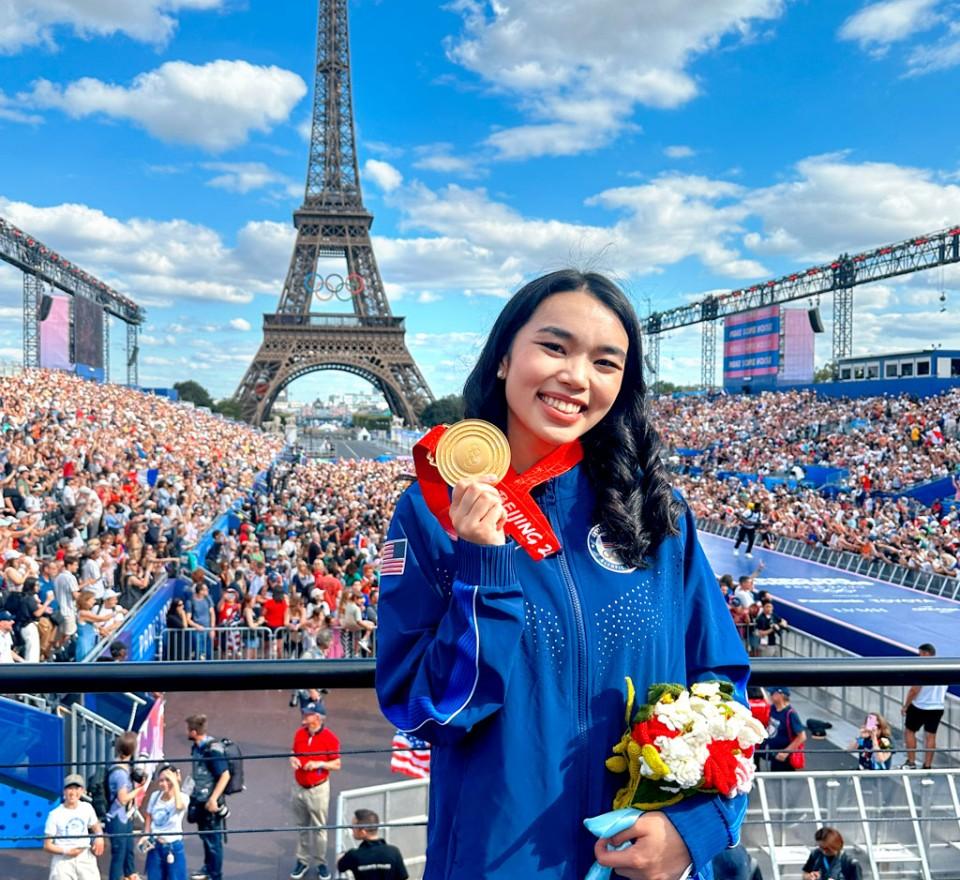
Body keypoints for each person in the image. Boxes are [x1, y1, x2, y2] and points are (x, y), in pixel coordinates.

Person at [375, 270, 751, 879]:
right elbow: (426, 711)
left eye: (606, 362)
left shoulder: (655, 508)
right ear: (503, 358)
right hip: (499, 860)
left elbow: (721, 681)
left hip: (645, 861)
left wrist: (698, 828)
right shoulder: (431, 508)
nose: (576, 376)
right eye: (554, 347)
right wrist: (484, 569)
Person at [289, 699, 341, 880]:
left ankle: (320, 863)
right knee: (302, 827)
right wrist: (293, 760)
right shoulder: (299, 733)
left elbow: (337, 764)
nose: (304, 716)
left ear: (318, 718)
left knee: (319, 828)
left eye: (308, 713)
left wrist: (319, 763)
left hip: (318, 789)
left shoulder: (330, 738)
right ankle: (302, 861)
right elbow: (293, 753)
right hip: (299, 787)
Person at [185, 714, 230, 880]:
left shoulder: (213, 751)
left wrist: (213, 799)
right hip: (199, 800)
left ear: (194, 732)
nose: (187, 732)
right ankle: (208, 868)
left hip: (210, 803)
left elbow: (225, 775)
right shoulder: (197, 747)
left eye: (188, 729)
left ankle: (215, 875)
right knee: (205, 837)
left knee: (213, 841)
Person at [44, 773, 106, 880]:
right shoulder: (55, 814)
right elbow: (47, 845)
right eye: (69, 789)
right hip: (63, 861)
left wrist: (99, 837)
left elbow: (96, 826)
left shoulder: (87, 808)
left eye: (76, 788)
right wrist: (66, 851)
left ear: (82, 791)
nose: (73, 793)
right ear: (64, 791)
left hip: (85, 857)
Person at [105, 731, 147, 880]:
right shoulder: (120, 774)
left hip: (126, 817)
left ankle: (131, 875)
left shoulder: (122, 766)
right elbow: (123, 798)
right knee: (119, 855)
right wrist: (139, 789)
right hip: (118, 819)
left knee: (128, 849)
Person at [901, 642, 948, 769]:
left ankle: (911, 762)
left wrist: (906, 705)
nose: (918, 657)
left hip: (920, 706)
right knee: (931, 736)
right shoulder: (945, 667)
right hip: (937, 707)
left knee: (910, 732)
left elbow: (914, 690)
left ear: (926, 653)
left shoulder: (923, 667)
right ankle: (927, 765)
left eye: (920, 654)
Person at [142, 764, 188, 880]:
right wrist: (146, 834)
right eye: (161, 780)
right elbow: (148, 815)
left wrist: (175, 781)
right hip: (155, 845)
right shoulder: (155, 796)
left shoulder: (183, 797)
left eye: (168, 780)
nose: (164, 784)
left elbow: (179, 806)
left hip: (173, 847)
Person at [337, 808, 408, 880]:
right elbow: (403, 877)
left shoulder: (353, 855)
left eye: (353, 827)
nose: (351, 830)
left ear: (363, 831)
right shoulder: (394, 852)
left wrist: (339, 856)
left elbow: (339, 866)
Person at [762, 686, 806, 771]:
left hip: (785, 758)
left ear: (780, 695)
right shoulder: (773, 709)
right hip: (774, 755)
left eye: (772, 693)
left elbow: (802, 736)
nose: (770, 695)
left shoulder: (790, 714)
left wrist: (786, 752)